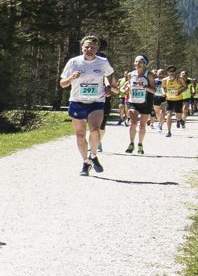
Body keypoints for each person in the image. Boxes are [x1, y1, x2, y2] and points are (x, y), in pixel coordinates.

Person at [59, 36, 113, 174]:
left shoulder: (103, 62)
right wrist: (71, 78)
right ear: (82, 47)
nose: (89, 50)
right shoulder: (73, 62)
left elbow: (109, 73)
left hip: (96, 102)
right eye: (87, 47)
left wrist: (108, 86)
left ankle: (93, 155)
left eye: (93, 48)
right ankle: (85, 162)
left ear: (97, 49)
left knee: (95, 130)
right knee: (80, 135)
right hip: (77, 101)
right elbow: (62, 84)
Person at [122, 55, 153, 153]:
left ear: (144, 64)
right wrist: (126, 89)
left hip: (146, 102)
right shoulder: (131, 74)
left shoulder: (149, 75)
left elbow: (154, 90)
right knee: (133, 123)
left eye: (140, 62)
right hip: (133, 101)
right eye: (136, 62)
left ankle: (140, 144)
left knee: (142, 126)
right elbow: (126, 87)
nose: (137, 64)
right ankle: (131, 143)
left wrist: (144, 87)